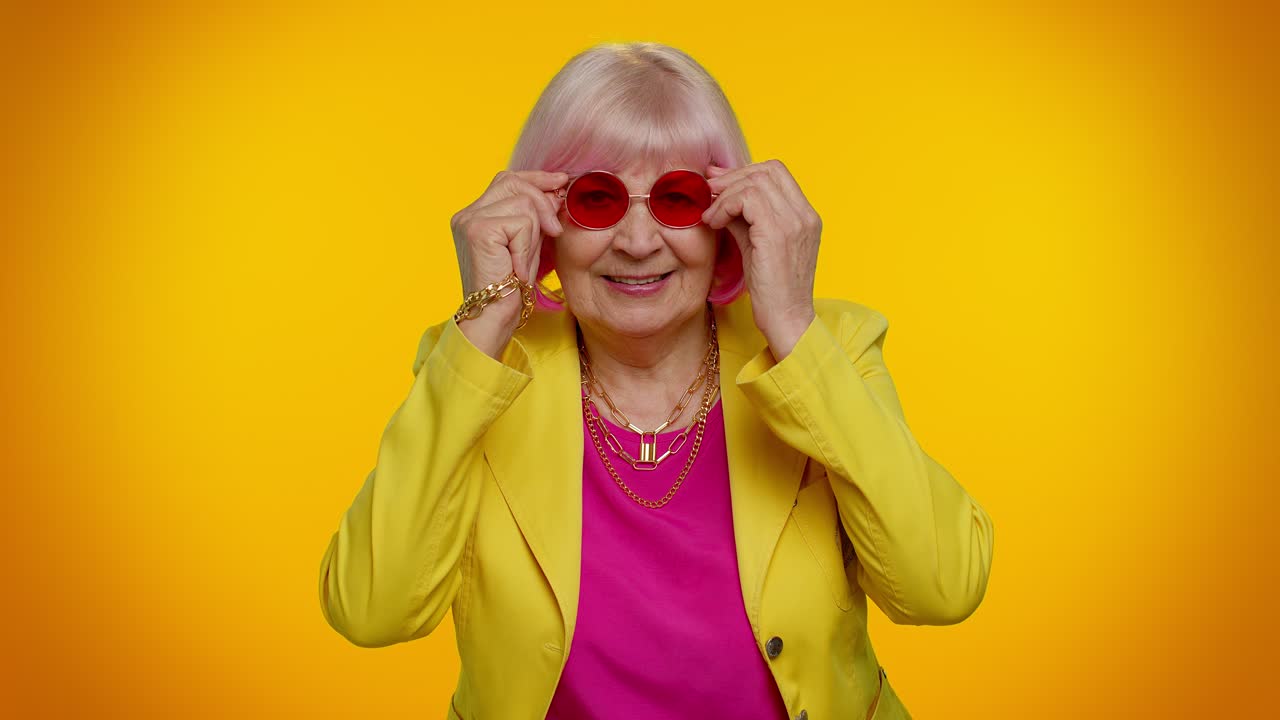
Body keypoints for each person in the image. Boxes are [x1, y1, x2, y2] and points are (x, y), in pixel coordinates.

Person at [318, 41, 994, 720]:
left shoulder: (827, 350)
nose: (638, 242)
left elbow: (941, 589)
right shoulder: (479, 365)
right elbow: (373, 611)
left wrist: (791, 326)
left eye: (677, 198)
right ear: (541, 213)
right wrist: (488, 320)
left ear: (730, 214)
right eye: (597, 198)